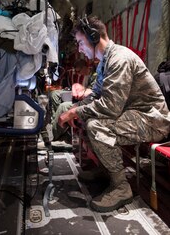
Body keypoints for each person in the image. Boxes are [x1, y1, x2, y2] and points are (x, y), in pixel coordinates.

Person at [58, 16, 170, 212]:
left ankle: (121, 187)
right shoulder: (105, 62)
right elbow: (96, 98)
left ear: (94, 37)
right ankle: (107, 172)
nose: (79, 49)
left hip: (153, 120)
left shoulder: (119, 58)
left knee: (96, 125)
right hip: (135, 115)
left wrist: (76, 112)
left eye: (80, 42)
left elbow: (109, 107)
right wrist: (74, 111)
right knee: (88, 119)